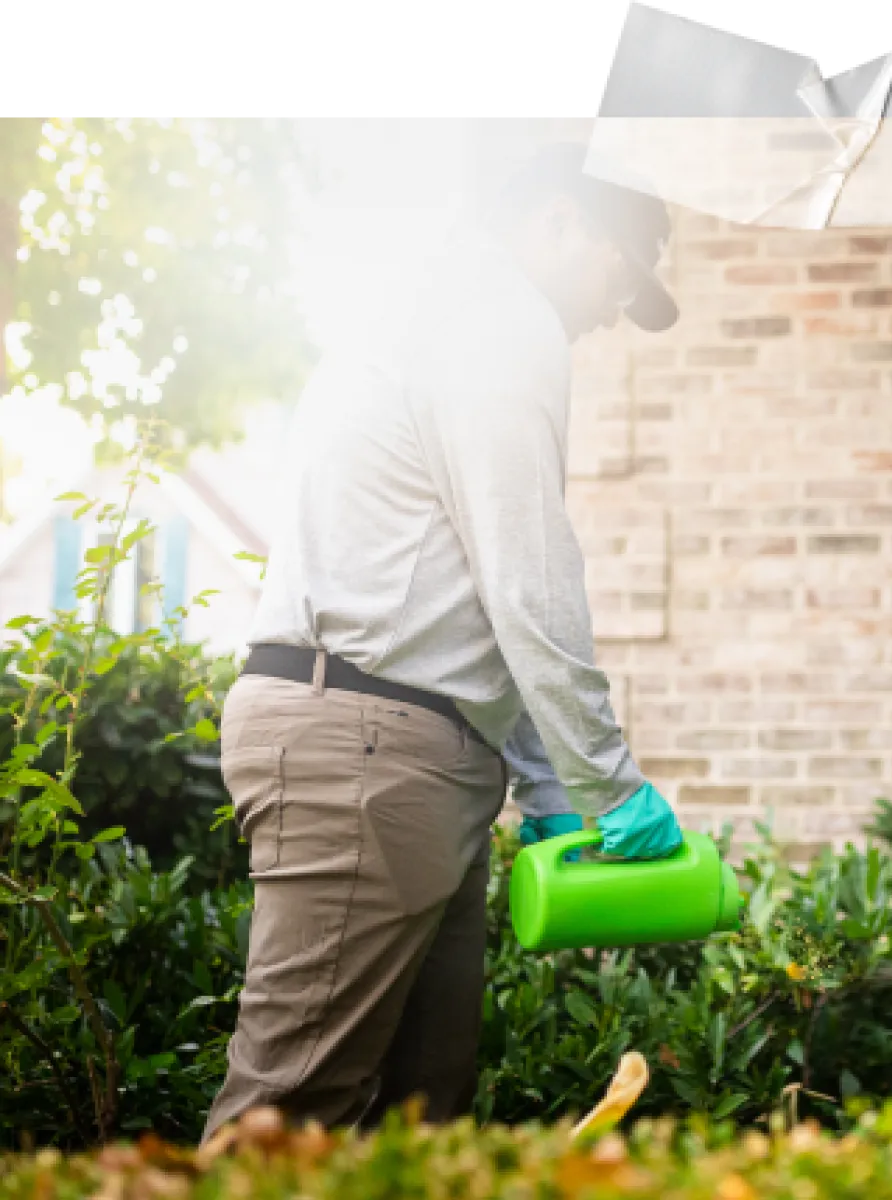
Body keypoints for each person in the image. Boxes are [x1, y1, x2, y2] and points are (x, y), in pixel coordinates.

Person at [201, 142, 683, 1141]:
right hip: (368, 751)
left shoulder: (442, 311)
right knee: (286, 1122)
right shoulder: (500, 321)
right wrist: (607, 781)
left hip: (404, 748)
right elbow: (527, 574)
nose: (606, 314)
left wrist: (548, 789)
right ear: (557, 221)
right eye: (615, 276)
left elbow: (467, 600)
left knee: (416, 1125)